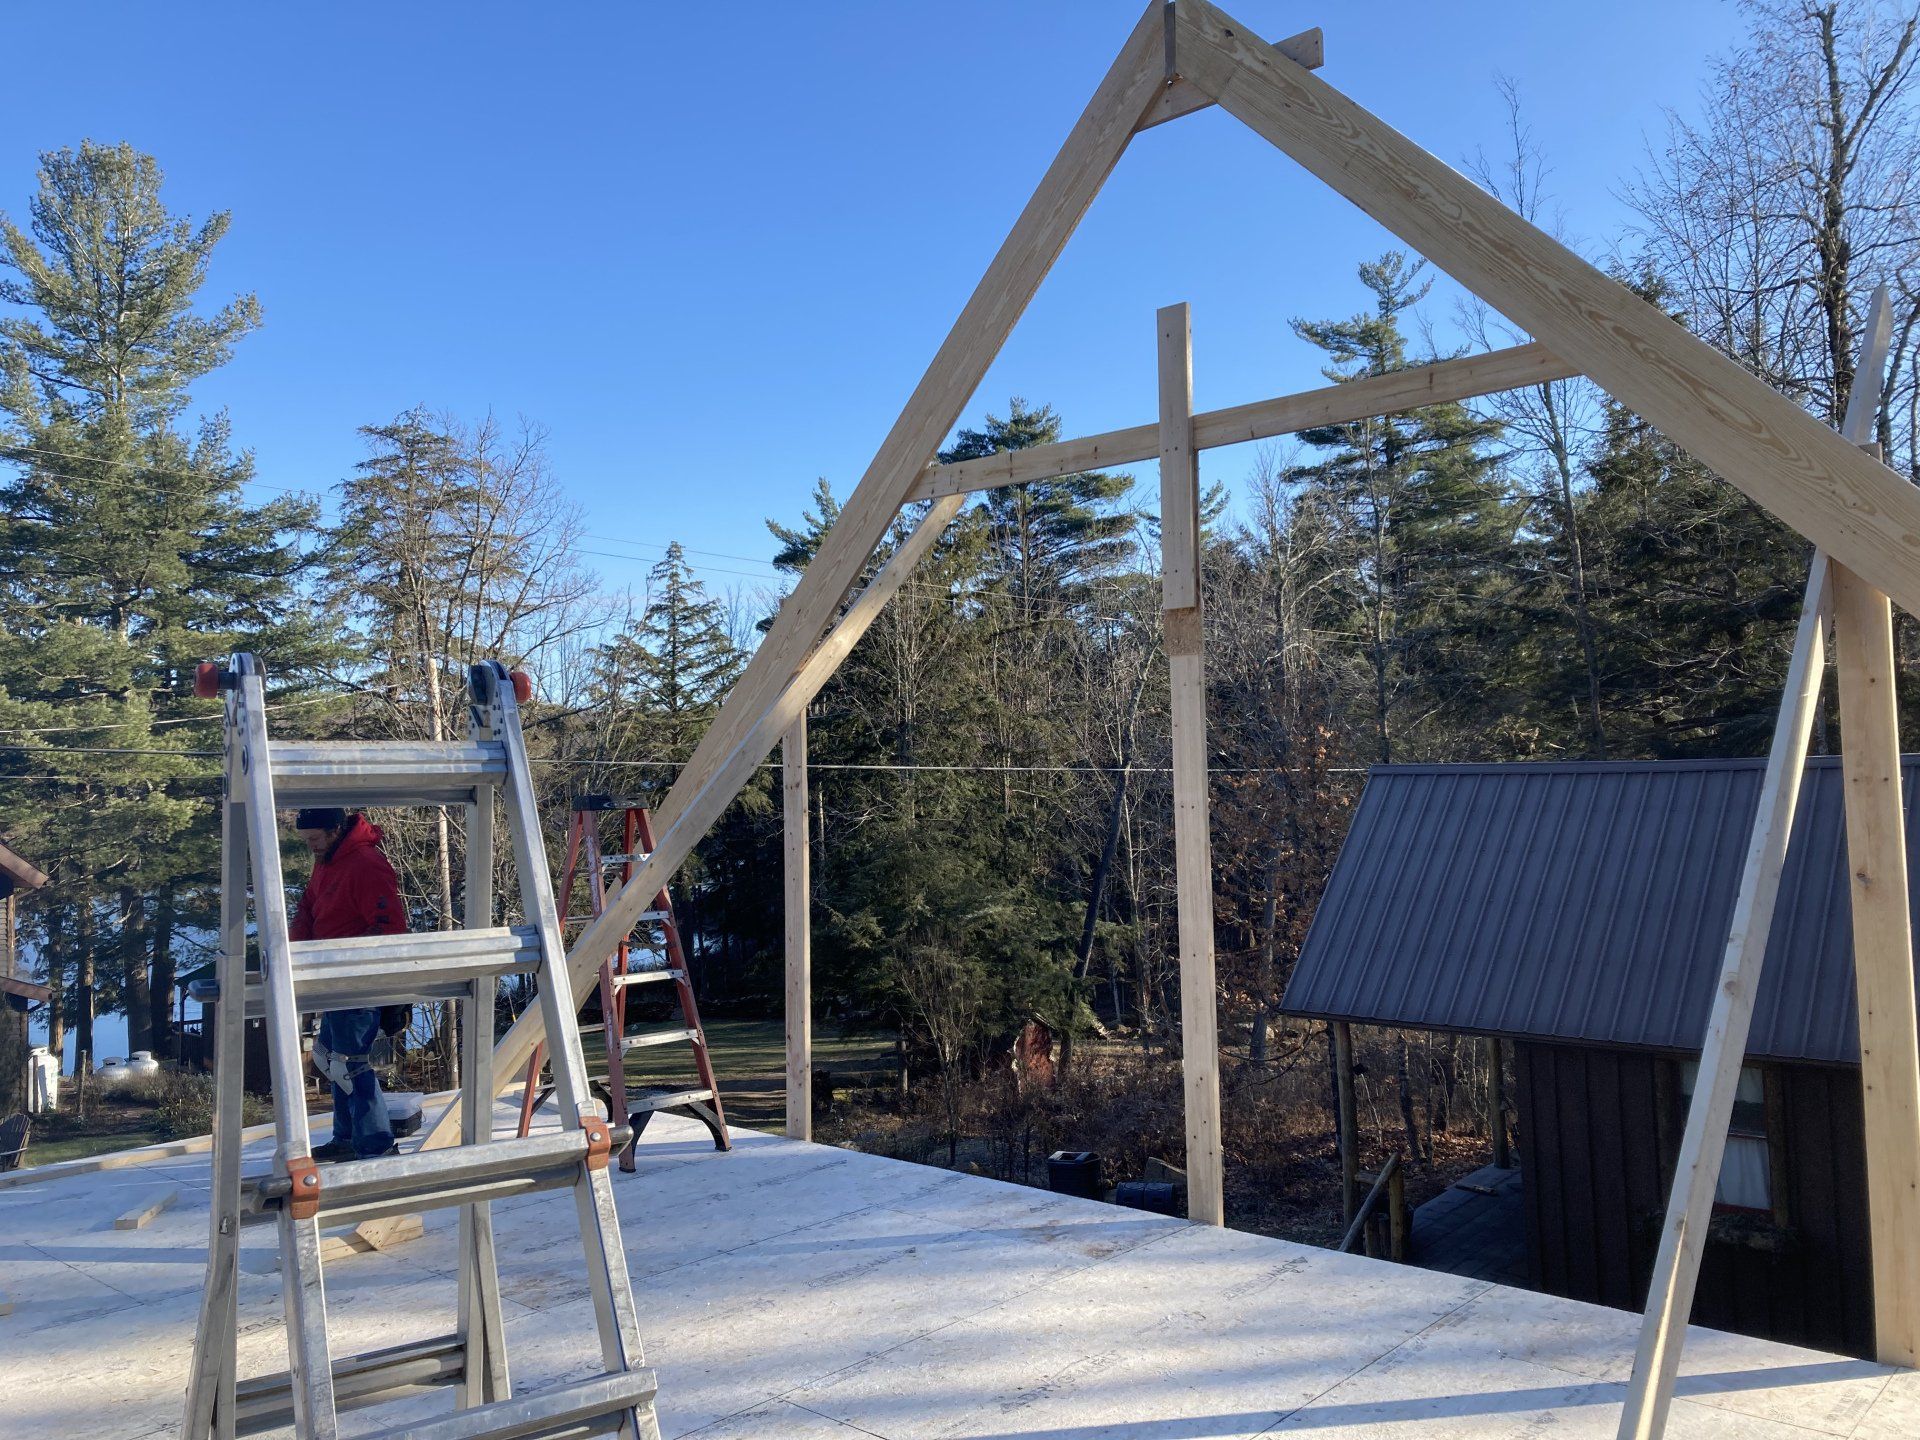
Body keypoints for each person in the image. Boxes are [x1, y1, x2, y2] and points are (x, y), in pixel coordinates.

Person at [289, 807, 407, 1161]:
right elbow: (309, 907)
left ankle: (377, 1145)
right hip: (332, 977)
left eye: (314, 838)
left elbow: (389, 928)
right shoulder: (328, 859)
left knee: (351, 1063)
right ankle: (347, 1138)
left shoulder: (367, 866)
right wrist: (293, 954)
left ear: (335, 830)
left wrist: (384, 984)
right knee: (330, 1059)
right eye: (305, 840)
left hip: (358, 980)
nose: (310, 846)